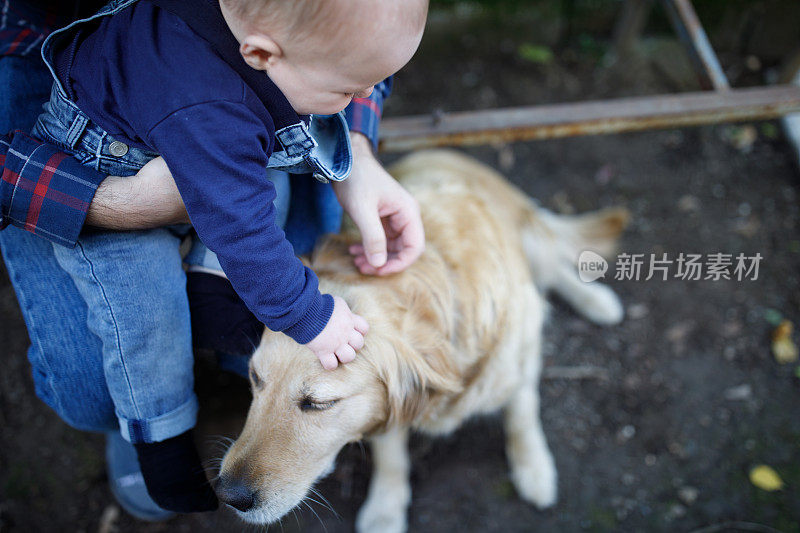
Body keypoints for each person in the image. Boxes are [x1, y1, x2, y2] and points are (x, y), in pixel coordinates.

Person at [0, 0, 427, 520]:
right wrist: (310, 317)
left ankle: (210, 305)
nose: (361, 96)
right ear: (260, 52)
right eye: (347, 92)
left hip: (178, 96)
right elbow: (244, 233)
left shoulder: (252, 29)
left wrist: (354, 146)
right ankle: (159, 440)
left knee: (272, 201)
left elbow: (340, 41)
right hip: (98, 158)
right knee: (142, 320)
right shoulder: (212, 109)